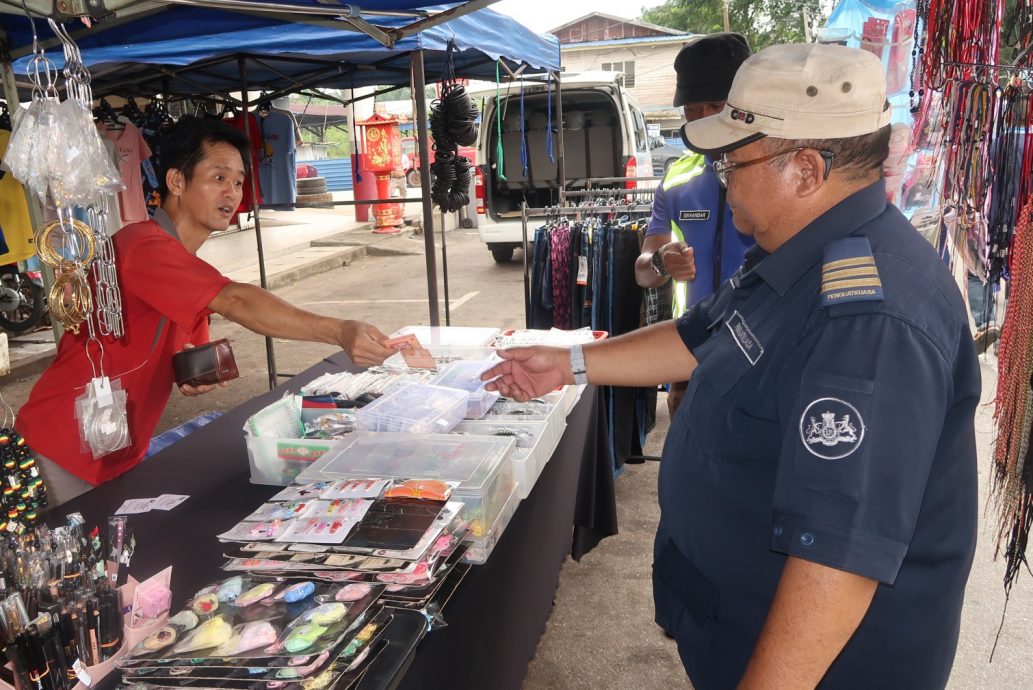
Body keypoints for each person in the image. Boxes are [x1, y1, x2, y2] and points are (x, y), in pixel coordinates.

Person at [484, 44, 979, 689]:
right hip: (735, 628)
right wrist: (570, 363)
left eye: (732, 163)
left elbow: (836, 561)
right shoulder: (795, 252)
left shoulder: (869, 321)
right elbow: (699, 336)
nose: (722, 180)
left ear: (804, 171)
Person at [17, 116, 394, 506]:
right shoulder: (142, 245)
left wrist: (191, 373)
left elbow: (183, 355)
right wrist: (340, 331)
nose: (231, 193)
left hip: (113, 445)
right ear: (177, 182)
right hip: (64, 446)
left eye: (238, 182)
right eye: (218, 178)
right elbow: (236, 300)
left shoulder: (184, 263)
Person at [635, 32, 754, 416]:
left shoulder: (772, 172)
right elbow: (642, 273)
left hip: (759, 351)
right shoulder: (676, 179)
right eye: (691, 109)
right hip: (690, 353)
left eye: (714, 106)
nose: (701, 119)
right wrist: (661, 262)